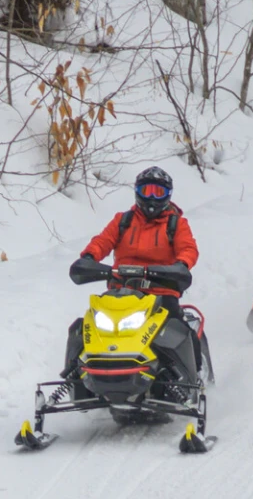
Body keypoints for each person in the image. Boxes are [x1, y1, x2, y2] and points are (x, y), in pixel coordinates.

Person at [61, 166, 200, 388]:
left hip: (160, 291)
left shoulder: (176, 224)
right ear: (137, 192)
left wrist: (181, 265)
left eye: (158, 192)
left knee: (178, 326)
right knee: (85, 326)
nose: (152, 198)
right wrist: (89, 256)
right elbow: (102, 241)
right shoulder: (123, 221)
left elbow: (188, 248)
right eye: (147, 191)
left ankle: (192, 379)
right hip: (121, 292)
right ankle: (77, 377)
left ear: (168, 195)